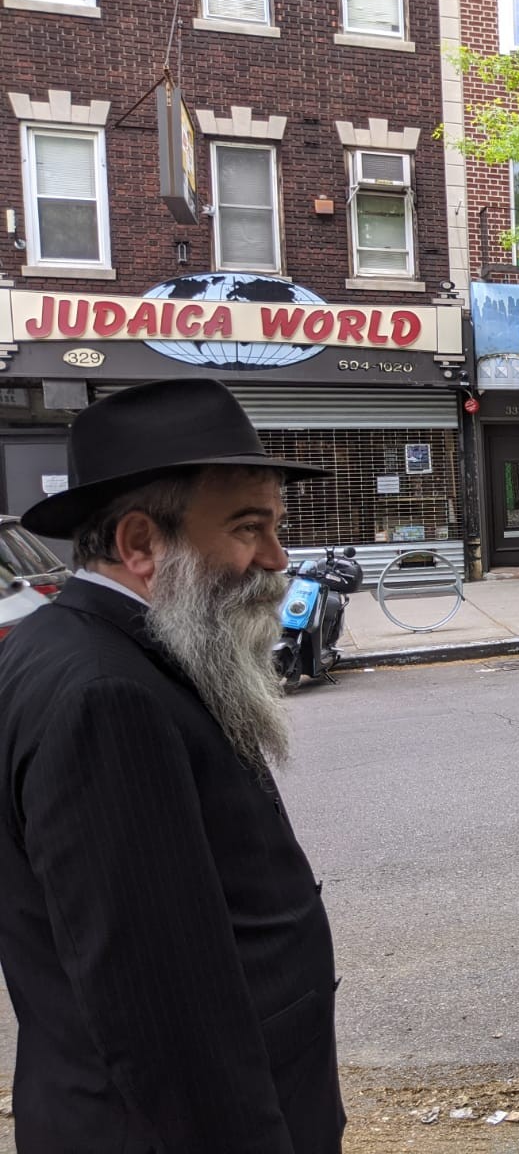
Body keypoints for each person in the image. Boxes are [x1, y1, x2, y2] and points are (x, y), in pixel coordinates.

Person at [0, 378, 345, 1152]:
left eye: (276, 527)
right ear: (140, 545)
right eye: (248, 528)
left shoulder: (83, 645)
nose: (277, 559)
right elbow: (161, 1019)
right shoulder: (106, 698)